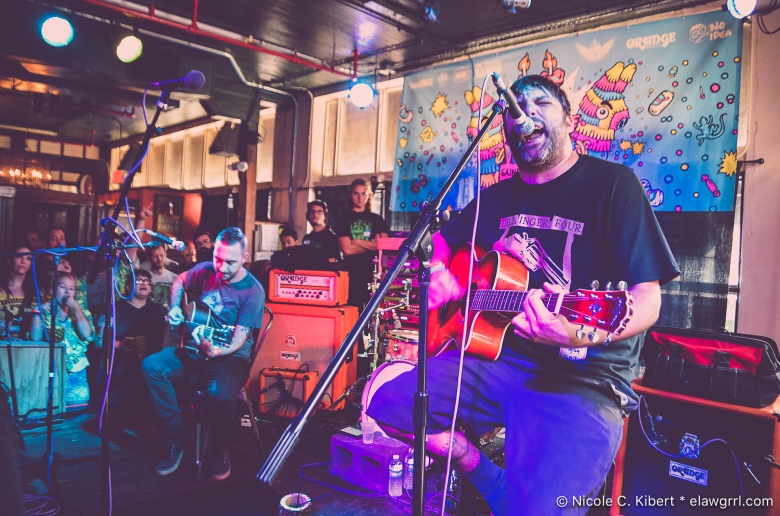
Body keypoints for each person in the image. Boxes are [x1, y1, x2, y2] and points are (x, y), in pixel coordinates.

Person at [366, 75, 680, 516]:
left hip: (584, 379)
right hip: (495, 360)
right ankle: (475, 465)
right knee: (386, 406)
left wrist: (575, 333)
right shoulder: (494, 198)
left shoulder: (614, 186)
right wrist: (438, 273)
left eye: (539, 103)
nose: (522, 113)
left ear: (570, 121)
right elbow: (437, 243)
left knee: (540, 510)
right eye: (514, 106)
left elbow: (648, 299)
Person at [141, 228, 265, 480]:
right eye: (218, 259)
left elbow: (239, 341)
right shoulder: (208, 269)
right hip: (194, 347)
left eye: (230, 262)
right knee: (152, 366)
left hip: (230, 355)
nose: (222, 267)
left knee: (218, 397)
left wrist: (216, 350)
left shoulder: (253, 291)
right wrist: (175, 306)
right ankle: (176, 436)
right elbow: (179, 281)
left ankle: (220, 449)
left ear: (245, 257)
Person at [105, 269, 167, 425]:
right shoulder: (115, 309)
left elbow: (169, 338)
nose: (144, 284)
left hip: (151, 373)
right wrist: (120, 345)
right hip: (123, 373)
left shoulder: (159, 310)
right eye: (139, 280)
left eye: (147, 281)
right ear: (128, 287)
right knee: (121, 418)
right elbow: (100, 341)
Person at [31, 272, 95, 411]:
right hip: (51, 370)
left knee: (77, 414)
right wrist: (36, 312)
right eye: (62, 287)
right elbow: (35, 338)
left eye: (71, 288)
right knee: (54, 413)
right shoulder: (44, 311)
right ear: (52, 290)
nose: (67, 292)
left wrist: (77, 309)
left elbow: (88, 335)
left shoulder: (81, 311)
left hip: (77, 371)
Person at [335, 178, 388, 309]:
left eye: (363, 193)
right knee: (352, 313)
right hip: (351, 276)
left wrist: (358, 242)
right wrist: (372, 244)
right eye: (356, 193)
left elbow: (384, 245)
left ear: (368, 195)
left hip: (372, 274)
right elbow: (347, 250)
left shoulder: (377, 219)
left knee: (373, 313)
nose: (360, 198)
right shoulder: (343, 219)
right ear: (350, 195)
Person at [0, 245, 36, 337]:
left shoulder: (37, 293)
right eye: (19, 256)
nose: (23, 261)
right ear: (9, 260)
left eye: (28, 258)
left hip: (29, 347)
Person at [140, 245, 178, 310]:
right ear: (149, 257)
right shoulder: (144, 279)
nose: (159, 259)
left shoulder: (175, 278)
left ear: (166, 255)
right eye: (155, 256)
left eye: (161, 255)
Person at [301, 200, 340, 264]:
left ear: (325, 216)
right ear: (308, 215)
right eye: (312, 211)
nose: (315, 214)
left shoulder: (331, 238)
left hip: (323, 273)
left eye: (319, 212)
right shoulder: (306, 238)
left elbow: (332, 261)